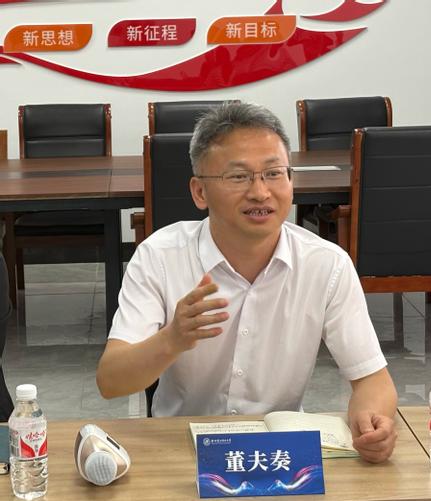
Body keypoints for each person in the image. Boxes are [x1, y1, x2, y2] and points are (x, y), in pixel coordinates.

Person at [96, 101, 397, 463]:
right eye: (238, 177)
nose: (260, 192)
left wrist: (372, 423)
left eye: (274, 173)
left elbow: (371, 380)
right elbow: (111, 381)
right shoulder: (160, 257)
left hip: (278, 455)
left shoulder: (326, 264)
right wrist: (171, 339)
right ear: (199, 192)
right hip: (181, 450)